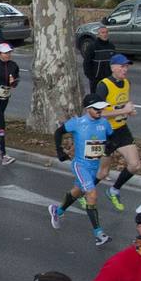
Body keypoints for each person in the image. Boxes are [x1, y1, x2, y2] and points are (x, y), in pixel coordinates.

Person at [49, 94, 114, 246]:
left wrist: (110, 146)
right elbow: (58, 132)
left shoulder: (105, 123)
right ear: (88, 109)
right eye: (97, 108)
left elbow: (112, 138)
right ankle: (99, 234)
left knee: (77, 192)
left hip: (94, 166)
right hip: (80, 165)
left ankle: (57, 211)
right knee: (91, 194)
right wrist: (60, 151)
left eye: (101, 108)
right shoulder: (77, 123)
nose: (100, 111)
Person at [95, 54, 140, 211]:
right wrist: (121, 110)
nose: (125, 69)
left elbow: (124, 103)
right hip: (105, 132)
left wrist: (129, 110)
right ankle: (81, 194)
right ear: (113, 67)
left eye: (126, 66)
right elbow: (97, 113)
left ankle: (114, 190)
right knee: (102, 172)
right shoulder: (104, 85)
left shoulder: (126, 83)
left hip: (121, 130)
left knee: (134, 165)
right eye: (122, 66)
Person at [82, 26, 115, 94]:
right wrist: (91, 77)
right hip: (96, 80)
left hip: (109, 79)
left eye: (106, 32)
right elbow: (86, 63)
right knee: (96, 100)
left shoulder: (111, 46)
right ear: (98, 34)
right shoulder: (92, 46)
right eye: (102, 33)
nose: (105, 34)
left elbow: (114, 62)